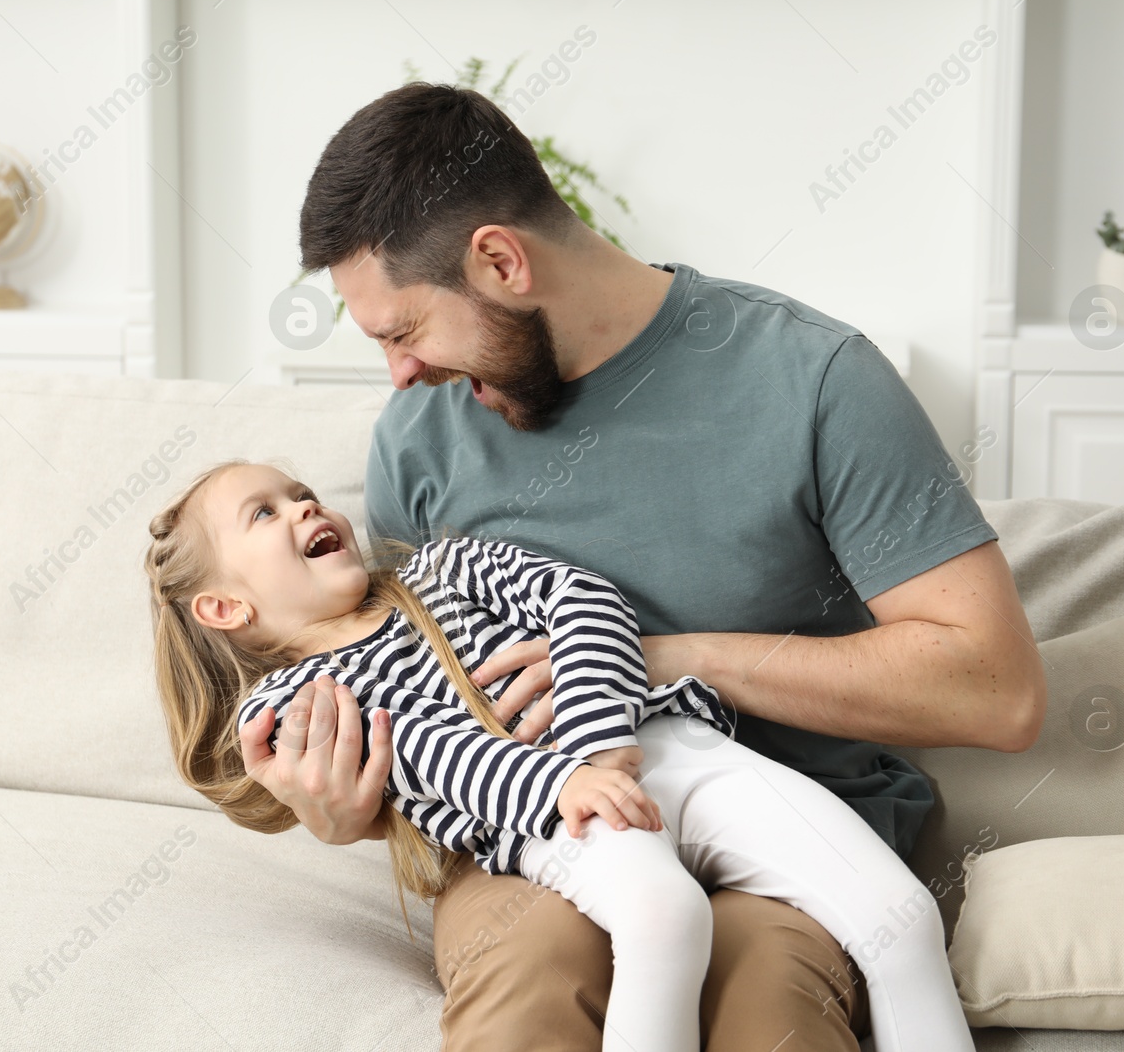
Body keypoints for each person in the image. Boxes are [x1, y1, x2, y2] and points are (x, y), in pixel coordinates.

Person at [243, 82, 1047, 1052]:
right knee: (531, 974)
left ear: (500, 260)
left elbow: (995, 692)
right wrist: (348, 810)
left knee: (765, 997)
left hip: (787, 816)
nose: (399, 375)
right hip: (540, 836)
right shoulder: (418, 436)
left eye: (402, 331)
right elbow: (420, 706)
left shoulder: (813, 377)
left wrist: (656, 656)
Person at [144, 459, 978, 1052]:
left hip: (661, 747)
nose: (303, 507)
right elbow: (427, 754)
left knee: (898, 918)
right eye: (265, 512)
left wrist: (599, 745)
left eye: (301, 494)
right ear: (225, 607)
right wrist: (567, 781)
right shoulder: (287, 702)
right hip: (545, 819)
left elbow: (580, 597)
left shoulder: (441, 566)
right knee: (664, 916)